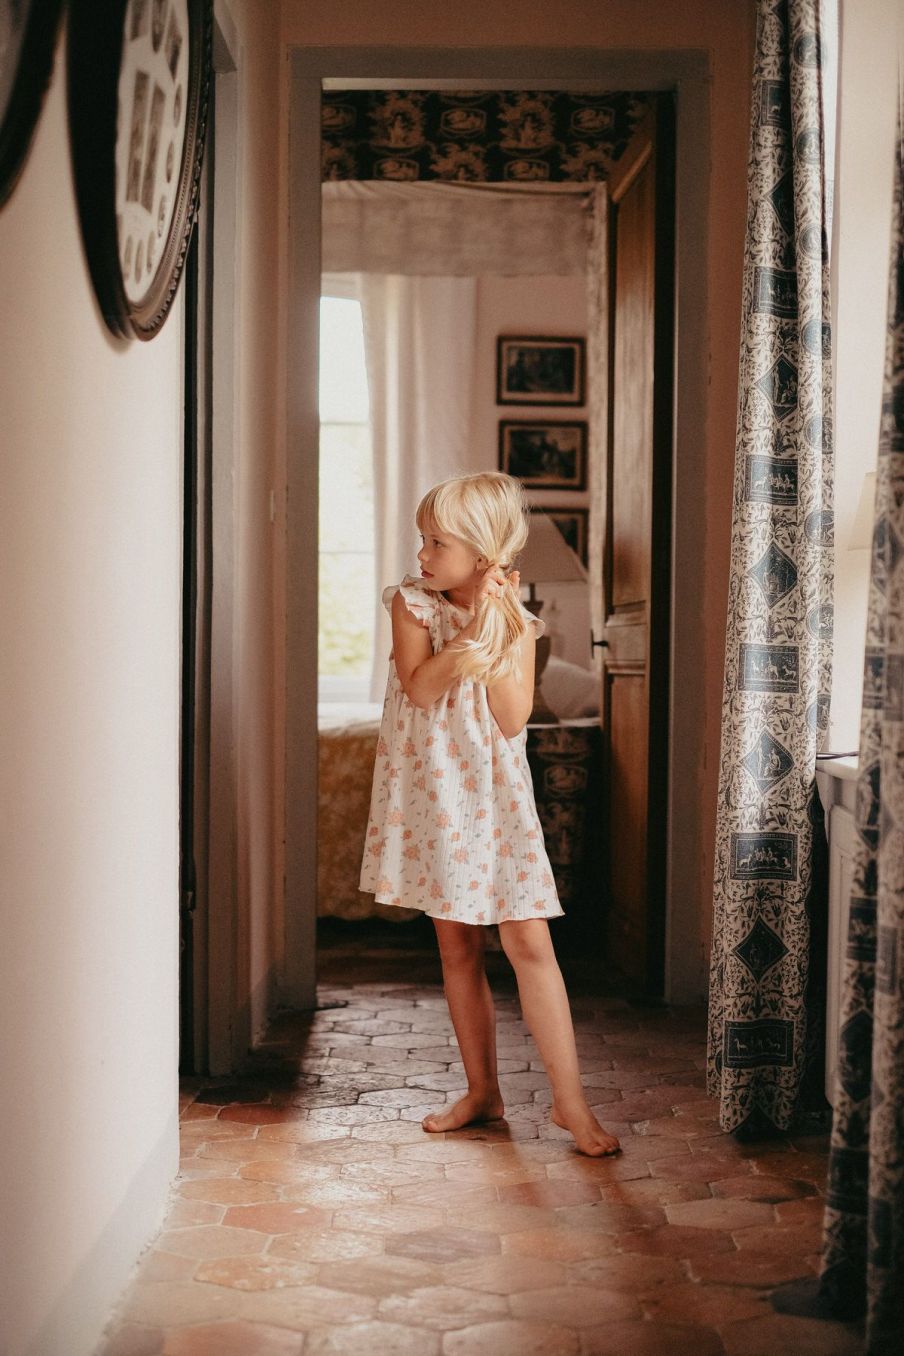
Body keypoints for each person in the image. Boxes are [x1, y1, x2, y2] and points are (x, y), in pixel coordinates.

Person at [359, 471, 620, 1157]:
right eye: (422, 539)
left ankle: (570, 1103)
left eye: (437, 543)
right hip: (436, 794)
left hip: (496, 795)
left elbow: (510, 718)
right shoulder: (411, 605)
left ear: (483, 554)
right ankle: (482, 1092)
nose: (422, 555)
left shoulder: (520, 624)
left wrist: (497, 631)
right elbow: (420, 689)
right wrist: (470, 637)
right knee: (457, 946)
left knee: (530, 941)